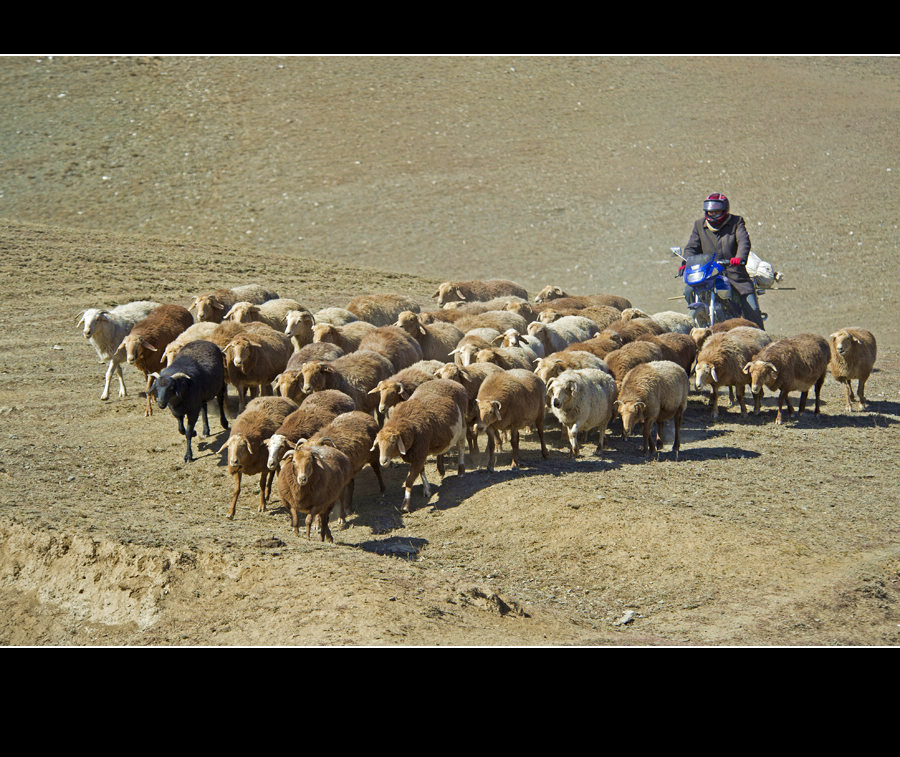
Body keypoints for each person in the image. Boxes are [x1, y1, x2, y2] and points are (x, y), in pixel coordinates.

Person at [680, 193, 765, 329]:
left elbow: (743, 242)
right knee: (688, 291)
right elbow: (691, 247)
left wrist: (739, 258)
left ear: (725, 210)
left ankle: (761, 336)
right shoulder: (699, 225)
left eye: (717, 211)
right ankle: (699, 320)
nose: (713, 214)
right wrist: (685, 263)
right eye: (710, 211)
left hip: (733, 273)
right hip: (708, 272)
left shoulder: (736, 222)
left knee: (752, 307)